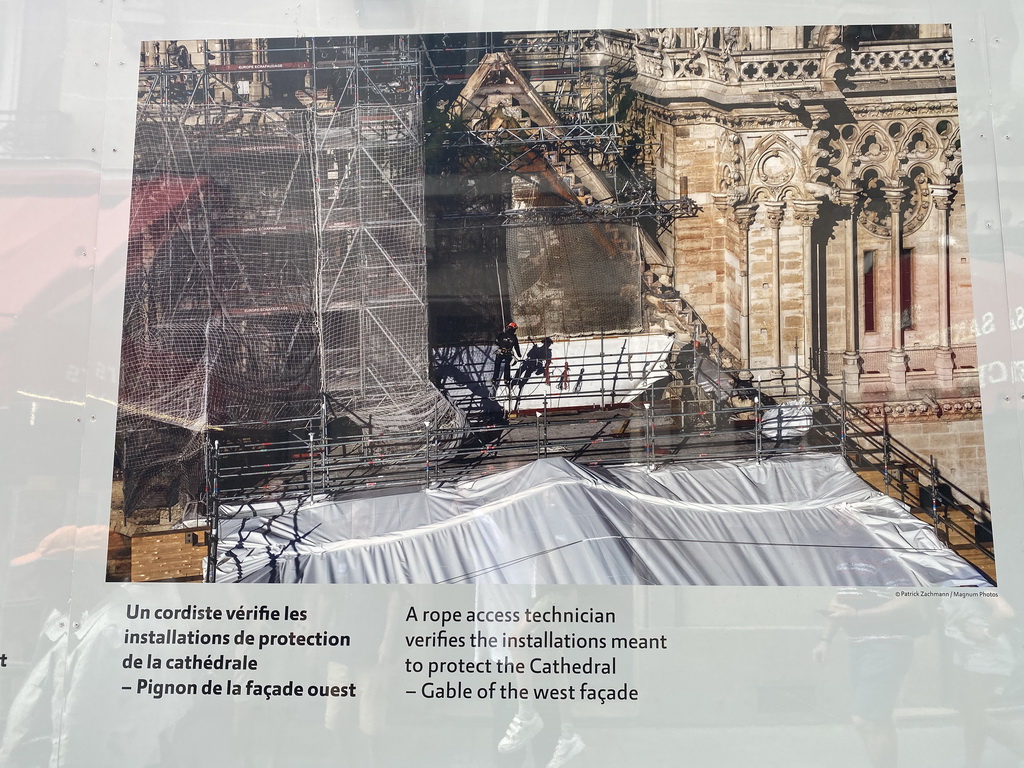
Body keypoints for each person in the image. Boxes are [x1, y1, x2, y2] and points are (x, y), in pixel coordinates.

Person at [492, 322, 521, 387]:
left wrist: (502, 343)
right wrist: (519, 355)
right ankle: (506, 379)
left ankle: (494, 378)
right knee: (507, 366)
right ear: (514, 329)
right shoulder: (514, 337)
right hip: (508, 353)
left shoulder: (501, 334)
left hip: (500, 352)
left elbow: (496, 342)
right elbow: (516, 347)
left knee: (497, 365)